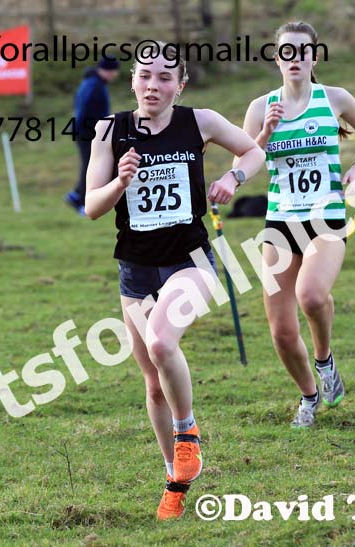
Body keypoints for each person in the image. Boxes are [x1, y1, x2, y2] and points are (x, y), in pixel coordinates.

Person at [84, 43, 265, 519]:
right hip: (135, 269)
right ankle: (175, 479)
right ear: (132, 81)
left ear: (180, 85)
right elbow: (91, 206)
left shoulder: (199, 122)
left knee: (162, 343)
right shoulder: (110, 131)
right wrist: (120, 182)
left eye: (166, 77)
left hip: (190, 261)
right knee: (152, 383)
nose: (153, 85)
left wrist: (233, 179)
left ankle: (189, 435)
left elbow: (252, 151)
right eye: (145, 76)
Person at [237, 21, 355, 429]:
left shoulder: (334, 99)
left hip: (325, 217)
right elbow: (242, 165)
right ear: (277, 57)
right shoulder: (259, 107)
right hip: (281, 223)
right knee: (281, 332)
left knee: (312, 295)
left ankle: (325, 360)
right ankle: (309, 398)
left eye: (302, 50)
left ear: (314, 57)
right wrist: (264, 133)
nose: (295, 57)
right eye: (287, 50)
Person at [65, 56, 120, 214]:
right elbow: (87, 111)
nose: (115, 75)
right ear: (108, 70)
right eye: (114, 71)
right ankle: (83, 202)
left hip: (84, 130)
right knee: (91, 166)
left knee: (89, 164)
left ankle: (76, 195)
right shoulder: (95, 86)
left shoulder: (90, 82)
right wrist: (96, 130)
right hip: (87, 132)